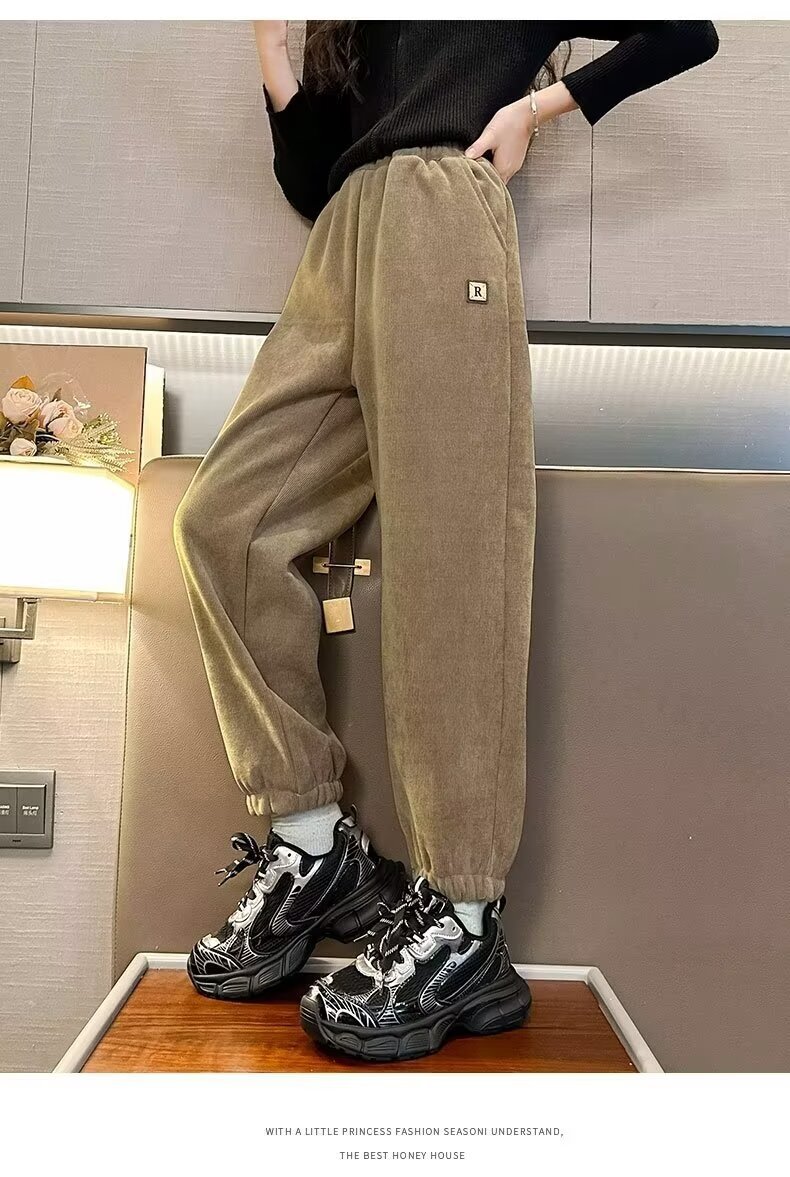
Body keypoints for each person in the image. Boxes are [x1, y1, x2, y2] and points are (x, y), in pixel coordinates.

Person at [173, 19, 719, 1062]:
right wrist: (271, 44)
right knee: (226, 523)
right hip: (343, 238)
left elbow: (684, 30)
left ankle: (463, 920)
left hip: (441, 219)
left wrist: (535, 110)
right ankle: (310, 843)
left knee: (450, 569)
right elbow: (309, 180)